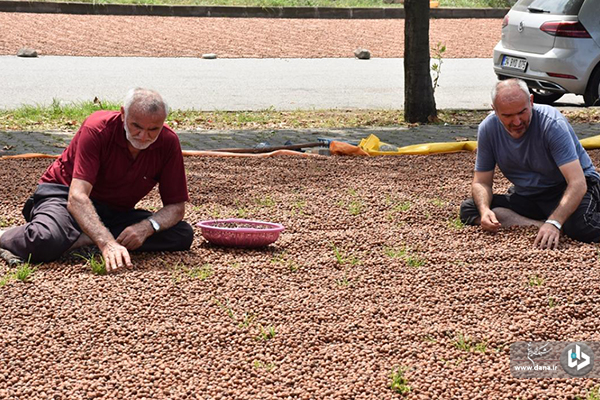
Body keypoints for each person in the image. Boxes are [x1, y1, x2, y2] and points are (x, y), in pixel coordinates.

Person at [0, 88, 194, 272]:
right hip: (64, 197)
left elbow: (176, 207)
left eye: (153, 129)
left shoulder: (168, 142)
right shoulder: (97, 129)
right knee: (44, 240)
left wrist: (146, 228)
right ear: (123, 114)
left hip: (114, 211)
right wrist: (106, 242)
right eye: (136, 126)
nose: (144, 136)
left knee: (182, 234)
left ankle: (81, 238)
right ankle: (7, 235)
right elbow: (77, 197)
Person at [460, 78, 600, 249]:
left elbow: (577, 183)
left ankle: (557, 221)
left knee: (580, 227)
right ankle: (540, 225)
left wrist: (555, 221)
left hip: (571, 187)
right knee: (470, 208)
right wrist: (484, 211)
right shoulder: (488, 129)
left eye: (522, 112)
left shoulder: (552, 124)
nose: (517, 122)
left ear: (531, 101)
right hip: (530, 195)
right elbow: (481, 182)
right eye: (508, 115)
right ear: (495, 110)